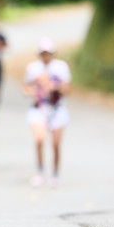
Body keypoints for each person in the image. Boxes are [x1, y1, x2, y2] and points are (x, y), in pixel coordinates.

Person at [22, 37, 71, 188]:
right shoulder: (33, 68)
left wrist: (54, 86)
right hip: (39, 109)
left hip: (57, 109)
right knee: (39, 140)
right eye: (43, 53)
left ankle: (55, 175)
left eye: (48, 53)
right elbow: (26, 88)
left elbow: (67, 89)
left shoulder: (61, 67)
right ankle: (40, 173)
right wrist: (35, 90)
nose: (46, 56)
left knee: (55, 144)